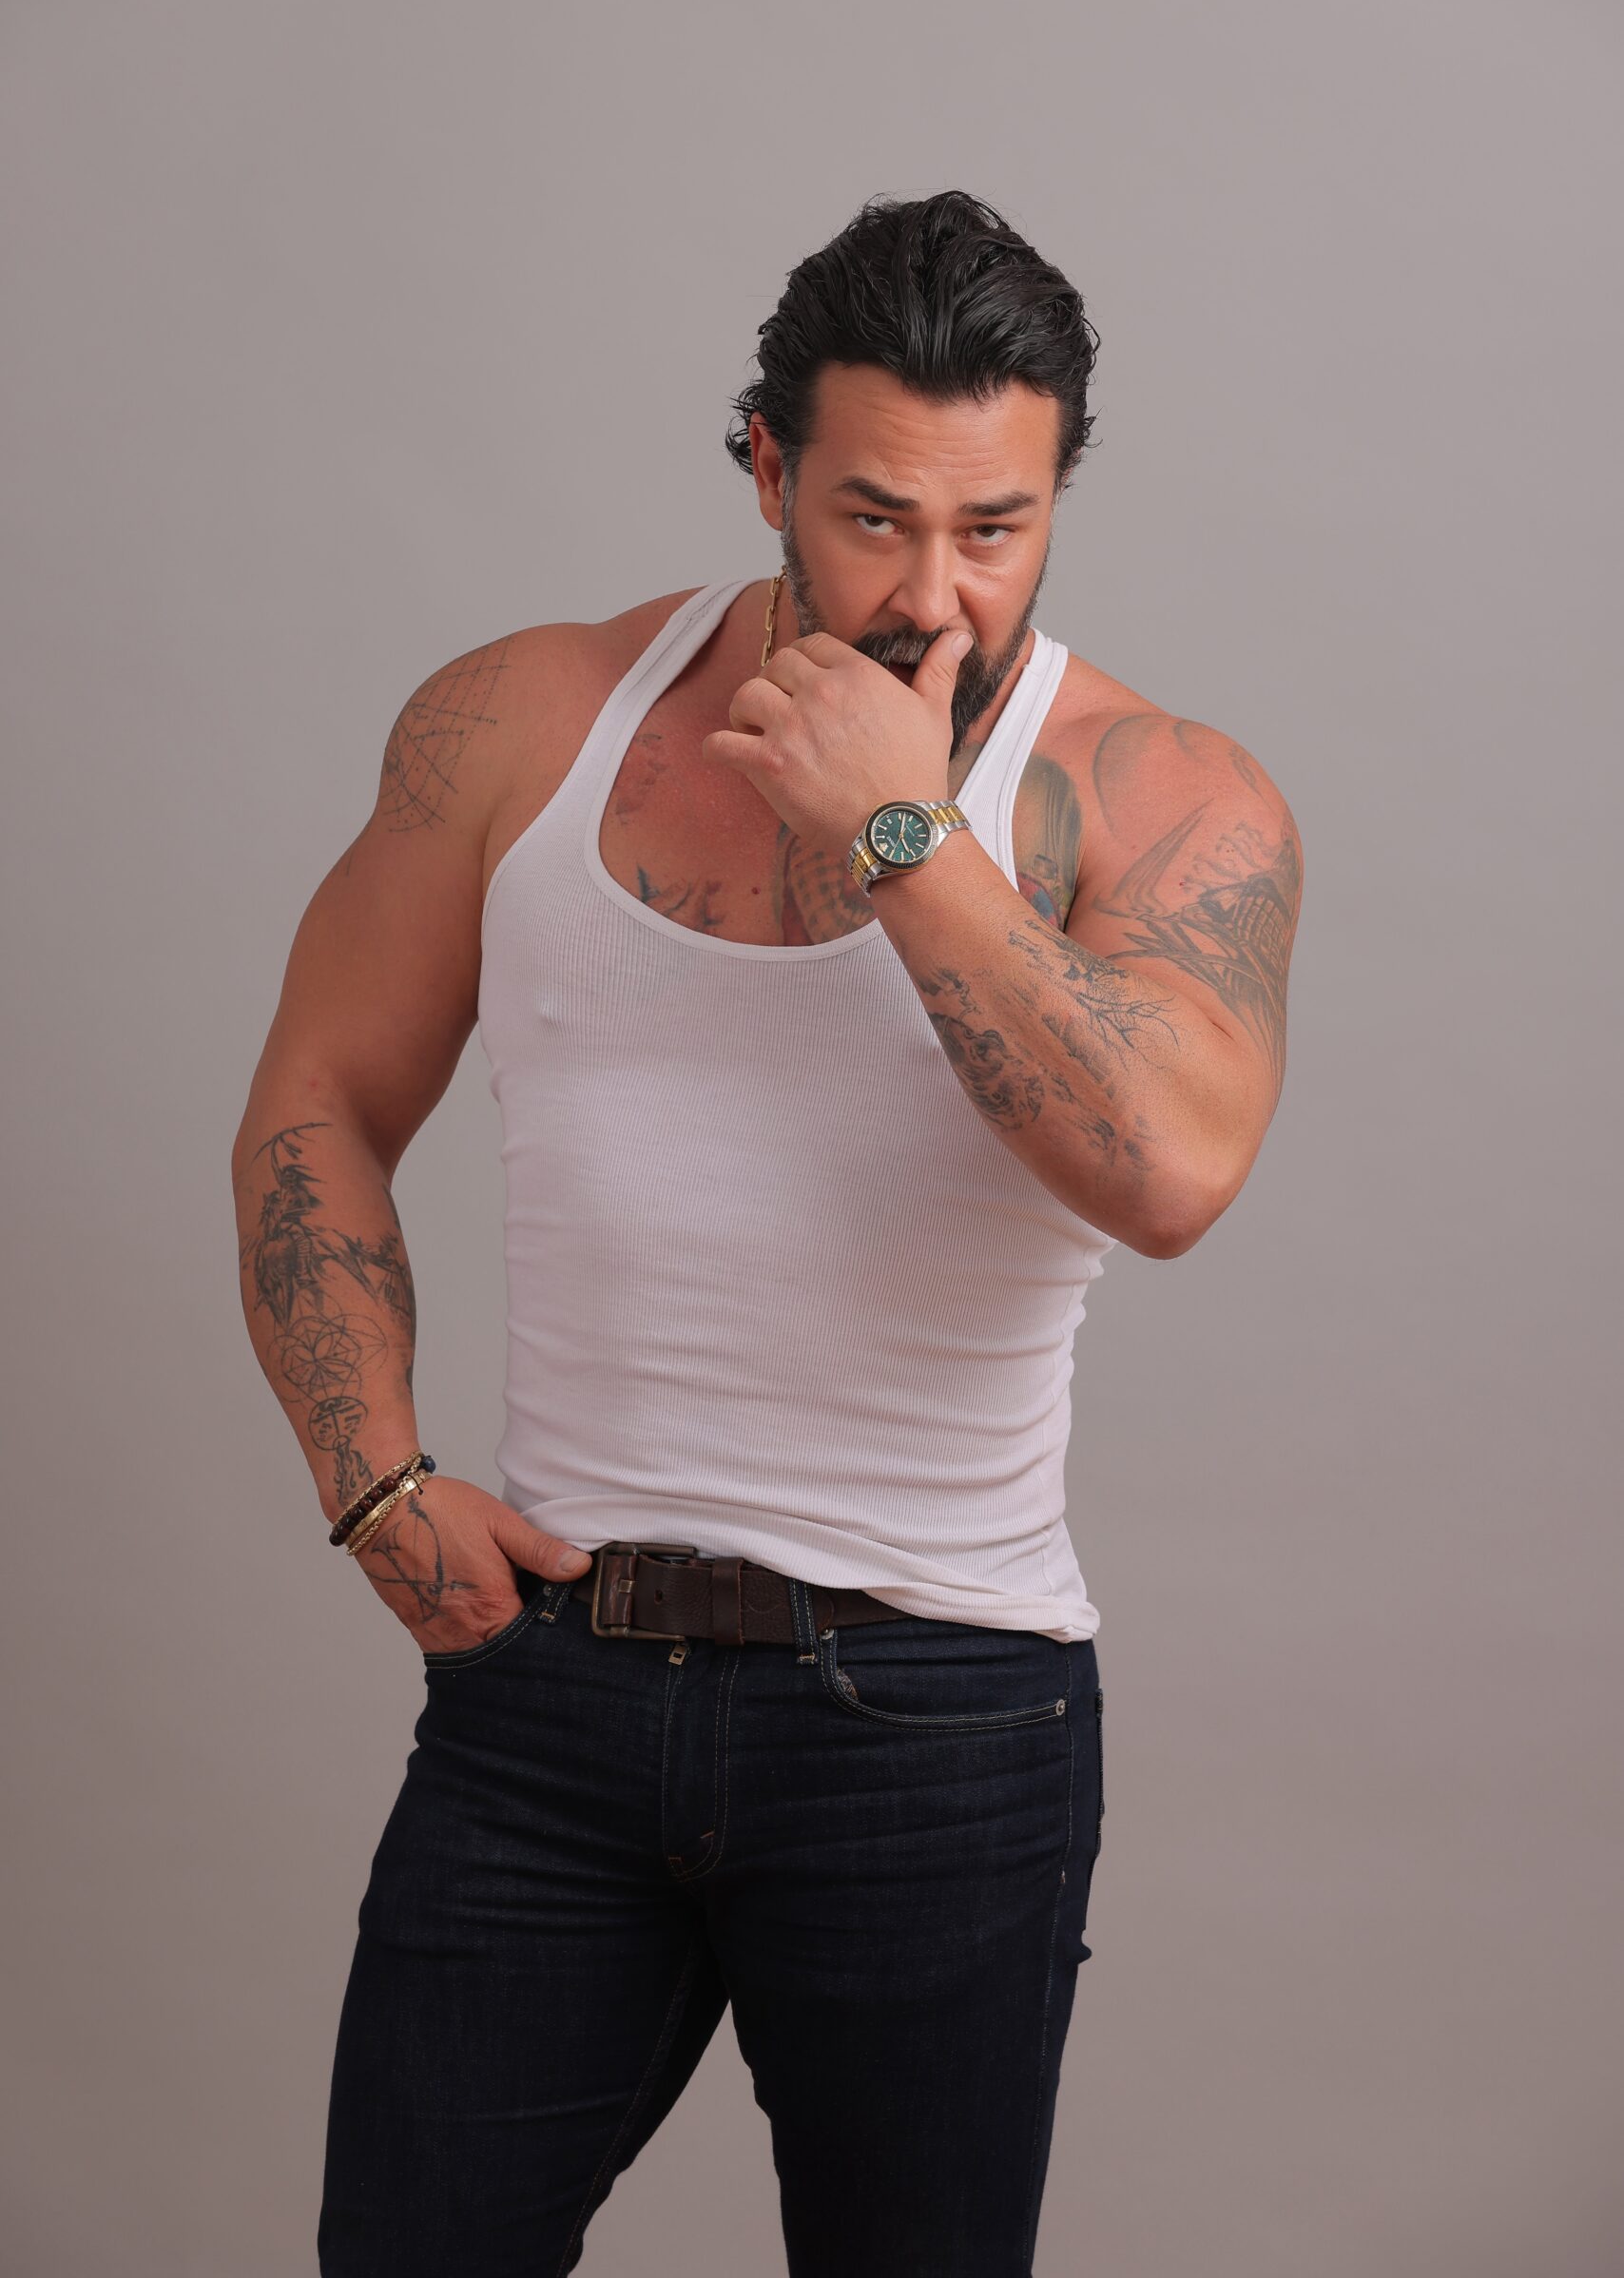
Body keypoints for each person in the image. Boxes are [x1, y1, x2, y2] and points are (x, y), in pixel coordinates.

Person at [230, 187, 1303, 2277]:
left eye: (994, 527)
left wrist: (898, 831)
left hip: (943, 1716)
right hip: (547, 1689)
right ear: (762, 466)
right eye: (873, 517)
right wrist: (369, 1476)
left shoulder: (1163, 794)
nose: (932, 590)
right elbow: (318, 1097)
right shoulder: (522, 723)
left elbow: (1168, 1178)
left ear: (1058, 495)